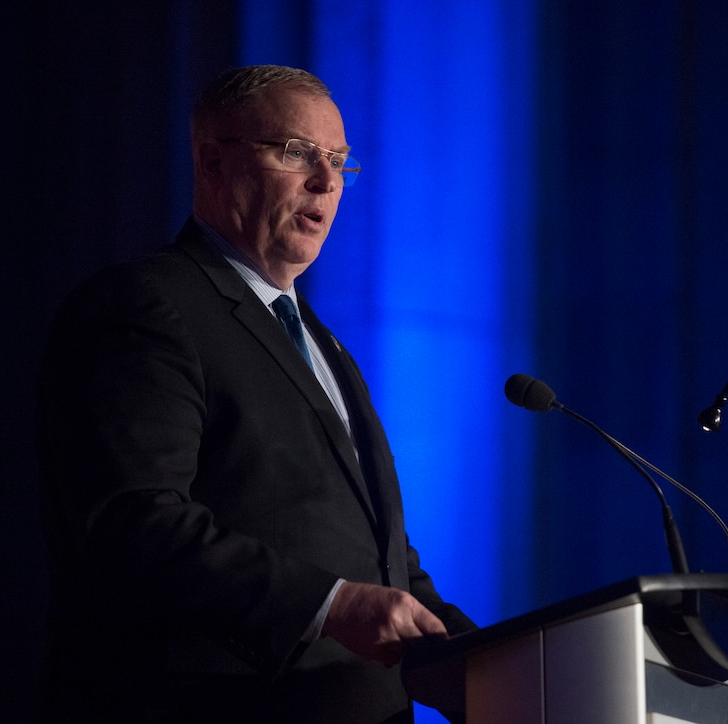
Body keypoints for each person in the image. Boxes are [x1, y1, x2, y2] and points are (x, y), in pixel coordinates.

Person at [38, 64, 475, 723]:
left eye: (340, 162)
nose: (327, 181)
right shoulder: (146, 306)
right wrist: (328, 606)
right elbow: (134, 522)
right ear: (213, 162)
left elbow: (381, 559)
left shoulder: (327, 347)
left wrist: (482, 660)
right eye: (297, 153)